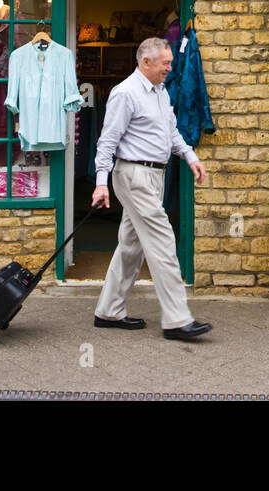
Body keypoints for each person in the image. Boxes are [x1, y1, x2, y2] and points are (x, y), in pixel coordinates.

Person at [91, 37, 212, 340]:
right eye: (165, 64)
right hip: (133, 176)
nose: (170, 69)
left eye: (170, 63)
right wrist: (100, 184)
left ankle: (109, 311)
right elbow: (107, 142)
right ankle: (176, 320)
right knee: (162, 241)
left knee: (131, 246)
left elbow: (171, 132)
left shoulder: (160, 92)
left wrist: (190, 157)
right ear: (145, 62)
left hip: (155, 175)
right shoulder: (125, 93)